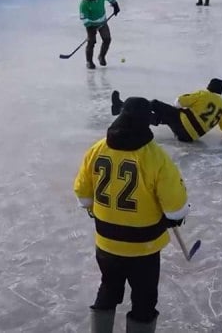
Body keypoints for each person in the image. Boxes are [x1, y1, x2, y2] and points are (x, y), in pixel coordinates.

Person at [74, 96, 189, 333]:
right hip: (143, 249)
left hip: (106, 244)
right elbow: (175, 209)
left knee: (108, 287)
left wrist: (95, 209)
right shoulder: (156, 157)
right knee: (144, 301)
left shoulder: (96, 150)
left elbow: (83, 196)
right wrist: (175, 216)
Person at [110, 79, 222, 143]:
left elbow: (178, 102)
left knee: (155, 105)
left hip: (181, 123)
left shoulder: (204, 94)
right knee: (163, 118)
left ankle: (121, 107)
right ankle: (123, 109)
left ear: (209, 86)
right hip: (190, 138)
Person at [79, 0, 120, 70]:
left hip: (102, 23)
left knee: (107, 39)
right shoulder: (84, 4)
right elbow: (83, 18)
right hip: (90, 25)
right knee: (91, 42)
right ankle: (89, 61)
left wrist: (115, 4)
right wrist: (90, 27)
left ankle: (101, 56)